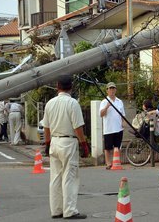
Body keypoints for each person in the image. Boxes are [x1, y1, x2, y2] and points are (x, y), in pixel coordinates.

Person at [42, 74, 89, 220]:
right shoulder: (72, 103)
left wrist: (48, 143)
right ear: (71, 87)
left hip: (54, 142)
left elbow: (46, 127)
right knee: (70, 177)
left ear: (57, 87)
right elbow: (78, 127)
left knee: (55, 177)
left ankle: (56, 209)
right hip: (68, 142)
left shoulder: (50, 103)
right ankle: (69, 210)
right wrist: (83, 144)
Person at [99, 82, 125, 170]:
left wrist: (123, 123)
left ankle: (116, 161)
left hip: (118, 127)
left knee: (117, 146)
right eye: (110, 88)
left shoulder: (119, 101)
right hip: (108, 128)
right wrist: (107, 106)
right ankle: (108, 163)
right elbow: (101, 114)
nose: (112, 90)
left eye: (113, 88)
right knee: (108, 147)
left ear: (116, 90)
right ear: (107, 90)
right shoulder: (104, 101)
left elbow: (122, 114)